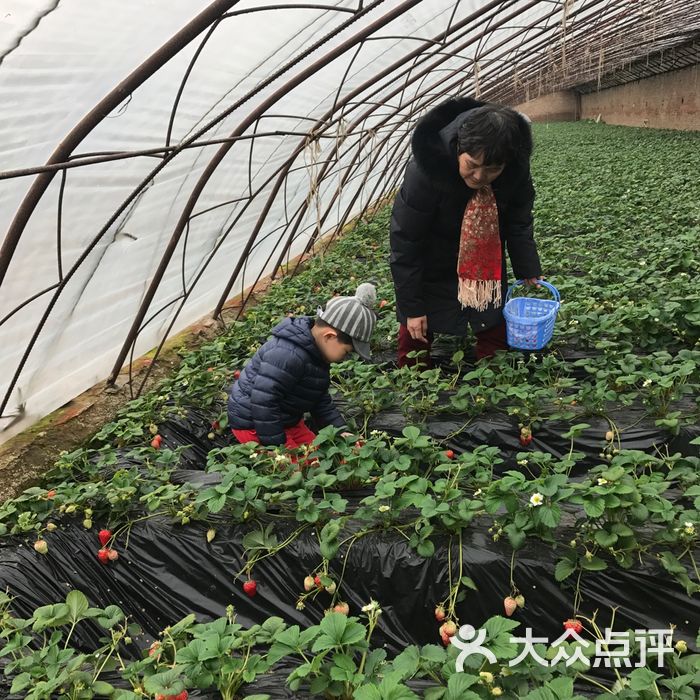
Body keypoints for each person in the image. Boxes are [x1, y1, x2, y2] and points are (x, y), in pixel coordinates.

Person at [389, 97, 543, 367]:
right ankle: (412, 381)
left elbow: (518, 220)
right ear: (458, 145)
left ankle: (495, 377)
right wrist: (412, 309)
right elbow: (406, 241)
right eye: (471, 164)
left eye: (492, 170)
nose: (479, 177)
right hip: (431, 258)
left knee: (492, 324)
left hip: (483, 263)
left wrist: (527, 265)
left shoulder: (515, 170)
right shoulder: (425, 172)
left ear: (507, 163)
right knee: (415, 334)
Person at [227, 283, 376, 448]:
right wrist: (278, 449)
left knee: (316, 455)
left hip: (286, 417)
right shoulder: (287, 355)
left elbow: (318, 398)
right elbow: (264, 402)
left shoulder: (316, 353)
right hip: (253, 423)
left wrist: (340, 430)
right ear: (329, 336)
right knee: (299, 467)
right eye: (347, 352)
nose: (345, 358)